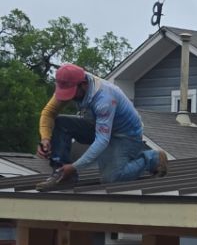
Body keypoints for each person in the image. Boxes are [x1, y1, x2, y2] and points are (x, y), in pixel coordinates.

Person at [37, 63, 168, 186]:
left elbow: (102, 141)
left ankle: (153, 158)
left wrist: (74, 167)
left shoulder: (104, 99)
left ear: (83, 85)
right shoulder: (69, 83)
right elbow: (49, 113)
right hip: (98, 127)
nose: (69, 97)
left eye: (71, 93)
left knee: (111, 178)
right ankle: (61, 173)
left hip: (125, 136)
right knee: (60, 123)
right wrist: (45, 139)